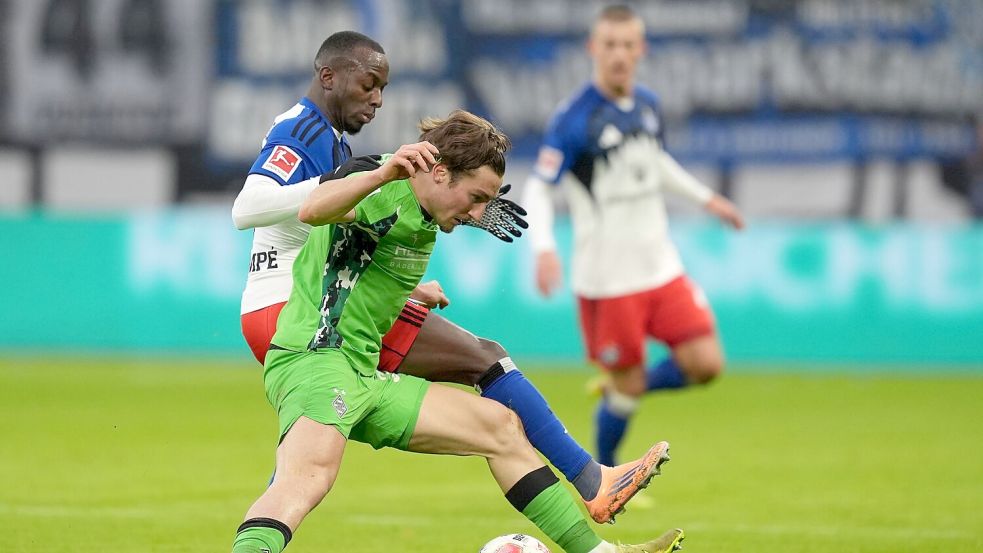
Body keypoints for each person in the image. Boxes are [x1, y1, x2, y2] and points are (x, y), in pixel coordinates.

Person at [231, 31, 667, 524]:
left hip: (302, 302)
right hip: (288, 307)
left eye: (383, 88)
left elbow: (335, 241)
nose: (376, 99)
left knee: (305, 460)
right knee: (484, 360)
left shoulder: (331, 138)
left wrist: (406, 279)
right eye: (368, 84)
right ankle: (593, 480)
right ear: (328, 76)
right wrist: (341, 180)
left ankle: (262, 534)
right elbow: (247, 209)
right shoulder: (303, 131)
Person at [523, 5, 746, 467]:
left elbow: (655, 162)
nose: (619, 55)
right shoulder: (574, 120)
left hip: (661, 267)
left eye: (628, 45)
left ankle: (623, 385)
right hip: (608, 280)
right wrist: (543, 247)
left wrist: (707, 198)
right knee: (626, 392)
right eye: (610, 45)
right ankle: (608, 473)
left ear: (641, 49)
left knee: (706, 364)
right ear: (593, 48)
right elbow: (539, 187)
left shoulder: (647, 104)